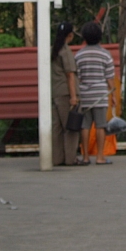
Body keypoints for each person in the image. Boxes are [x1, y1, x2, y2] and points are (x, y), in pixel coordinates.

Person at [74, 20, 116, 164]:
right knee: (100, 125)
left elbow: (76, 77)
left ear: (84, 37)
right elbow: (110, 77)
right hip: (101, 94)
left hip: (85, 95)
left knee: (84, 126)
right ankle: (100, 157)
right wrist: (113, 95)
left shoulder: (78, 55)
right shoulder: (105, 54)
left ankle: (85, 157)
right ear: (100, 36)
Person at [50, 21, 81, 166]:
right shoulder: (66, 51)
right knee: (71, 127)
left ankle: (57, 158)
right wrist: (73, 97)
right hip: (66, 93)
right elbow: (70, 75)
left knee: (56, 128)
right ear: (70, 35)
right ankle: (70, 158)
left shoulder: (52, 50)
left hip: (54, 92)